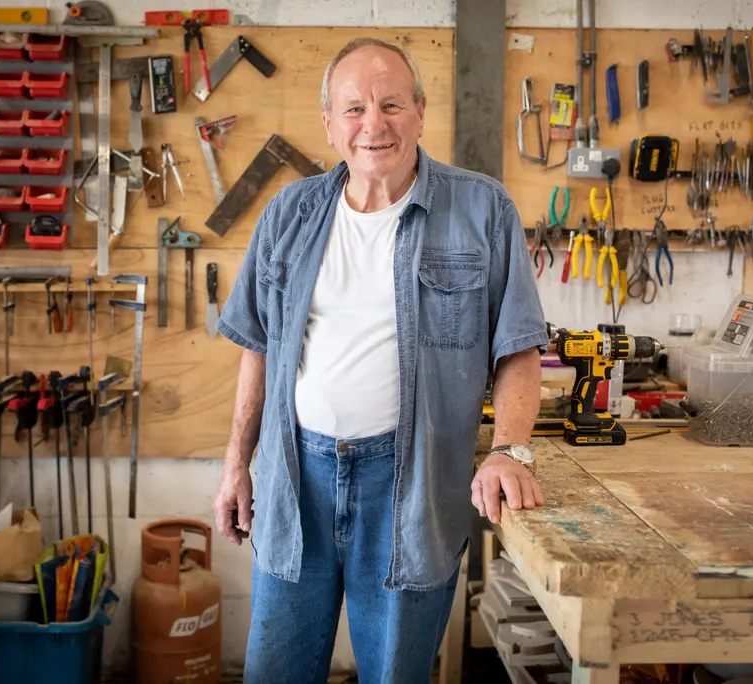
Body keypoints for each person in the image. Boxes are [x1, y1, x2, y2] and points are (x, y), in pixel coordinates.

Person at [212, 37, 548, 683]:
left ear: (420, 111)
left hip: (411, 488)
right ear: (330, 125)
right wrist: (235, 466)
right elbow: (257, 347)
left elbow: (519, 347)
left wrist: (510, 448)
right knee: (275, 671)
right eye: (355, 108)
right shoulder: (289, 213)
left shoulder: (481, 209)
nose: (374, 124)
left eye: (391, 104)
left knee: (395, 672)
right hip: (296, 480)